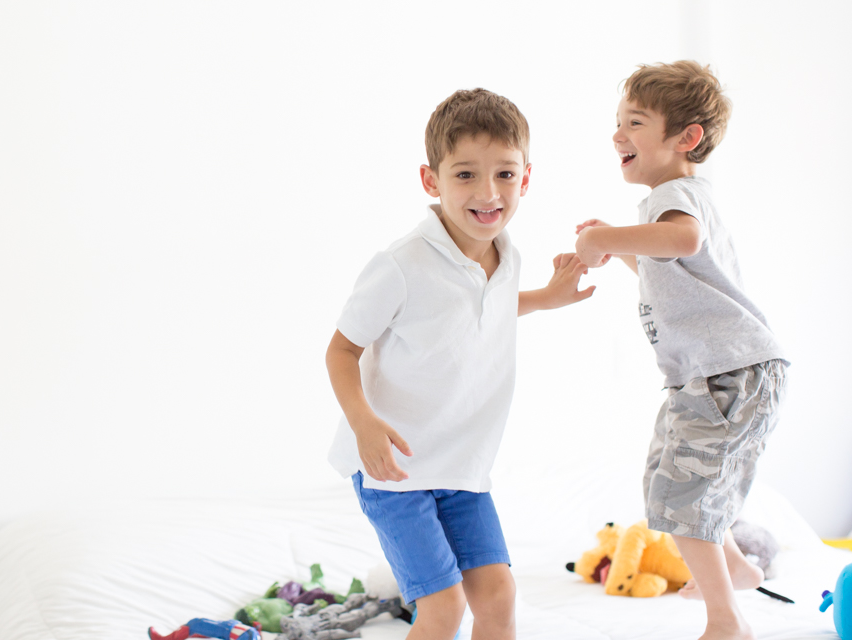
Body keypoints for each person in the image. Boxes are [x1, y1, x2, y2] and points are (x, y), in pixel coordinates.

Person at [325, 88, 594, 640]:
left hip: (463, 468)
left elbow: (482, 306)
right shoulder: (400, 264)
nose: (488, 192)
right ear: (432, 181)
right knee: (444, 608)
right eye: (466, 175)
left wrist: (547, 296)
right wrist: (363, 423)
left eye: (504, 174)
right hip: (394, 473)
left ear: (526, 178)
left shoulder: (506, 253)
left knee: (498, 597)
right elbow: (341, 349)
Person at [574, 61, 789, 640]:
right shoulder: (677, 199)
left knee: (682, 495)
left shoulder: (675, 197)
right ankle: (738, 571)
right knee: (667, 485)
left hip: (726, 373)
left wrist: (604, 237)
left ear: (685, 138)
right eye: (618, 122)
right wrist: (618, 246)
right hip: (716, 375)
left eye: (635, 123)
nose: (618, 134)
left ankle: (726, 621)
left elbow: (682, 241)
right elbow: (669, 263)